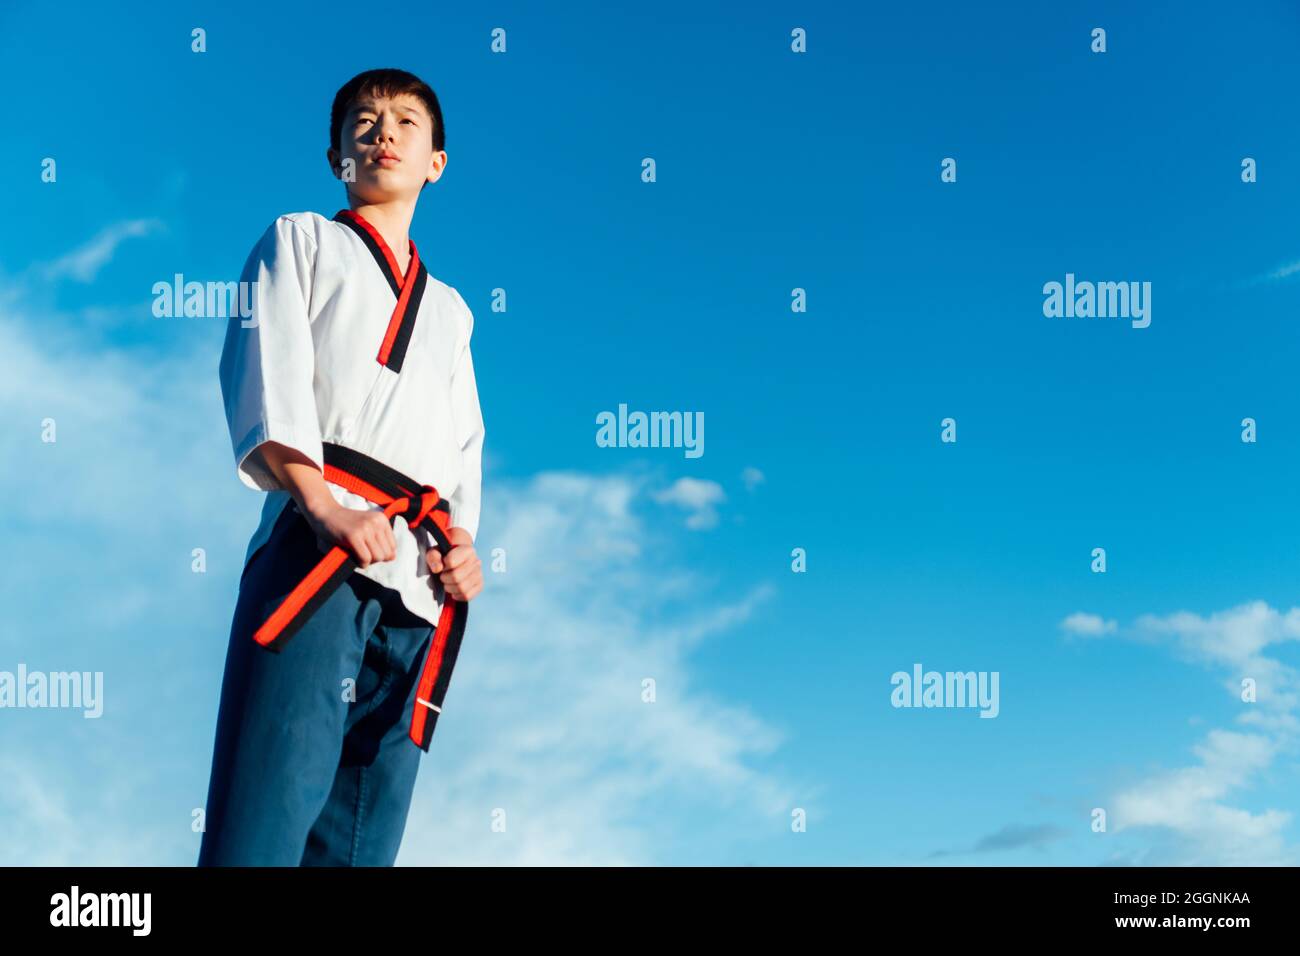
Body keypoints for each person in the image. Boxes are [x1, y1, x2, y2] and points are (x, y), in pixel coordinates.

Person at [197, 67, 486, 866]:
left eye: (404, 122)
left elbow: (461, 444)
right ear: (336, 156)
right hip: (315, 555)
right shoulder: (300, 239)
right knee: (261, 827)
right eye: (363, 123)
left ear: (436, 161)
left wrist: (460, 547)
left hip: (415, 588)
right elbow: (268, 372)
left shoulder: (454, 312)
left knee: (363, 841)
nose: (383, 134)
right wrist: (322, 507)